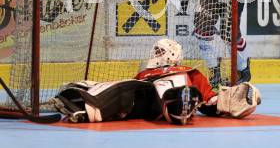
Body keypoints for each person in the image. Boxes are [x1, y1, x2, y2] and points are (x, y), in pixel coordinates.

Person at [51, 39, 261, 125]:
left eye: (160, 51)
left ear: (171, 55)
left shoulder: (189, 72)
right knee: (123, 91)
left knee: (132, 88)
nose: (156, 54)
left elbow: (209, 99)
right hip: (149, 103)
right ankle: (82, 106)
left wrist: (227, 101)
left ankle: (180, 104)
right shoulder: (144, 74)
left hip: (172, 98)